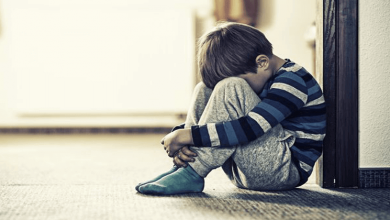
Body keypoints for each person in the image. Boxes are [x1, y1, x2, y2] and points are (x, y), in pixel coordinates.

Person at [135, 22, 326, 195]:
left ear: (262, 63)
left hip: (282, 171)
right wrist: (184, 134)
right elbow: (226, 118)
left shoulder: (292, 81)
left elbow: (251, 127)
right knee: (205, 88)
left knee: (231, 86)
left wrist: (189, 135)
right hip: (244, 168)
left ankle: (193, 173)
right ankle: (186, 165)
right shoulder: (264, 74)